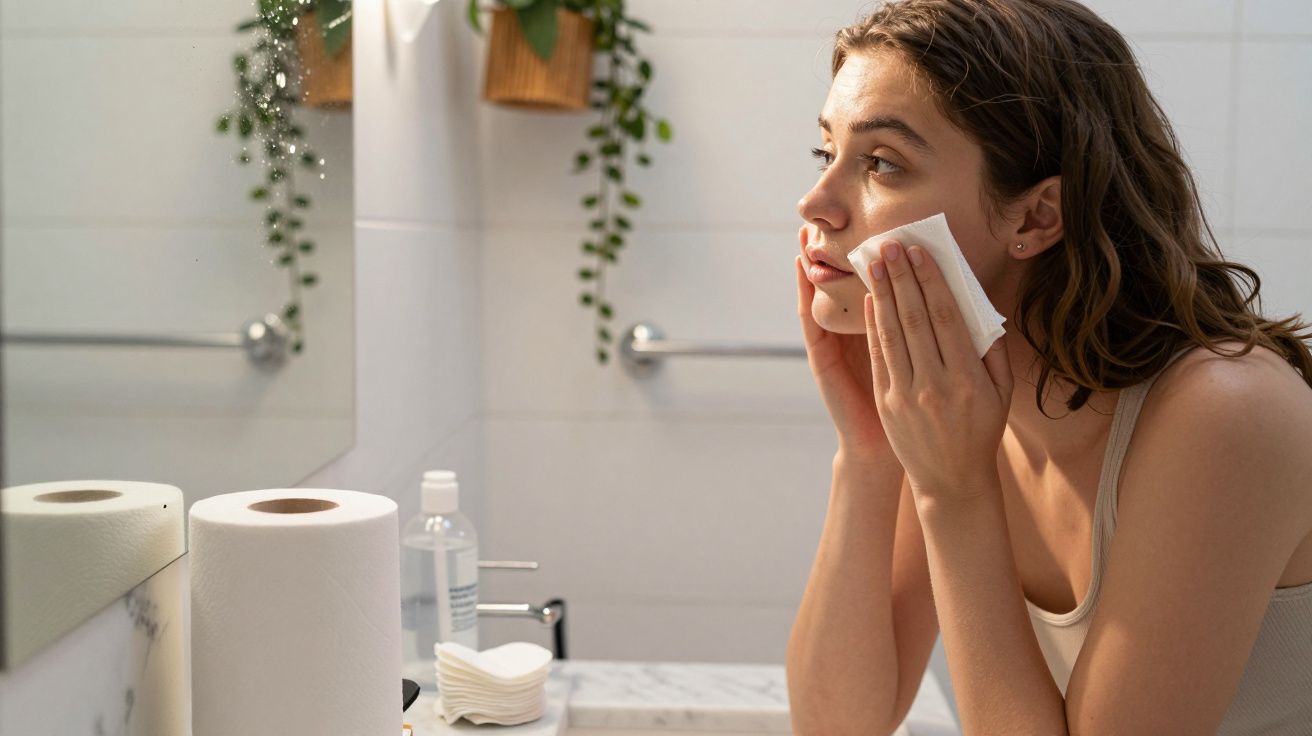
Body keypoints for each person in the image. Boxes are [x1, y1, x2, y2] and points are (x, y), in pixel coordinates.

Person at [786, 1, 1312, 734]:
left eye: (881, 163)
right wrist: (869, 451)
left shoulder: (1225, 412)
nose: (817, 203)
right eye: (826, 153)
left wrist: (955, 494)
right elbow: (840, 723)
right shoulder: (963, 405)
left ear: (1036, 218)